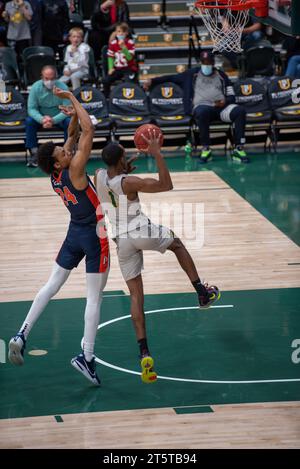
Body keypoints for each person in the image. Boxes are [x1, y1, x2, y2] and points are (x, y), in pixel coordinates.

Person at [95, 132, 220, 383]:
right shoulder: (129, 182)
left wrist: (123, 169)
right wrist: (157, 154)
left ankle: (144, 353)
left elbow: (114, 179)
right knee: (178, 245)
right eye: (124, 152)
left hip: (121, 241)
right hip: (140, 230)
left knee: (135, 296)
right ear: (119, 160)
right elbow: (166, 185)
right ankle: (201, 292)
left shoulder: (97, 174)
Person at [8, 87, 110, 387]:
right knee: (95, 297)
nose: (67, 151)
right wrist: (72, 100)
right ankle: (86, 357)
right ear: (59, 162)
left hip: (74, 232)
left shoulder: (56, 173)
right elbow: (88, 129)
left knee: (51, 285)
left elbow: (74, 134)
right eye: (63, 153)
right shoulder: (75, 168)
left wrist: (71, 120)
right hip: (94, 233)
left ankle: (22, 333)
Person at [144, 50, 249, 164]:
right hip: (202, 108)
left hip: (221, 109)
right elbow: (172, 78)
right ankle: (206, 149)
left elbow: (232, 96)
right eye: (204, 62)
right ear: (201, 62)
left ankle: (238, 148)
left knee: (239, 111)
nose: (206, 65)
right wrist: (152, 80)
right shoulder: (191, 74)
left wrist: (225, 101)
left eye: (209, 62)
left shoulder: (221, 75)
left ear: (213, 63)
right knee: (202, 111)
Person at [25, 65, 71, 167]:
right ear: (42, 77)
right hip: (42, 118)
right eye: (46, 78)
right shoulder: (35, 87)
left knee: (69, 122)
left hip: (59, 118)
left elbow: (67, 109)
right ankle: (34, 153)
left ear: (56, 77)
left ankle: (68, 152)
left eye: (52, 78)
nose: (49, 81)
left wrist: (53, 120)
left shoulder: (63, 87)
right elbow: (31, 109)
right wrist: (42, 119)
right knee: (29, 121)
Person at [103, 21, 137, 96]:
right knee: (105, 80)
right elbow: (110, 57)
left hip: (128, 68)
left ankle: (128, 98)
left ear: (126, 33)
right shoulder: (113, 43)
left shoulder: (130, 43)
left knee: (129, 82)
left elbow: (129, 58)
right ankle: (107, 97)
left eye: (123, 32)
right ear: (116, 33)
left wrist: (124, 48)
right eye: (118, 31)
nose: (121, 33)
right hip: (117, 68)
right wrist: (110, 68)